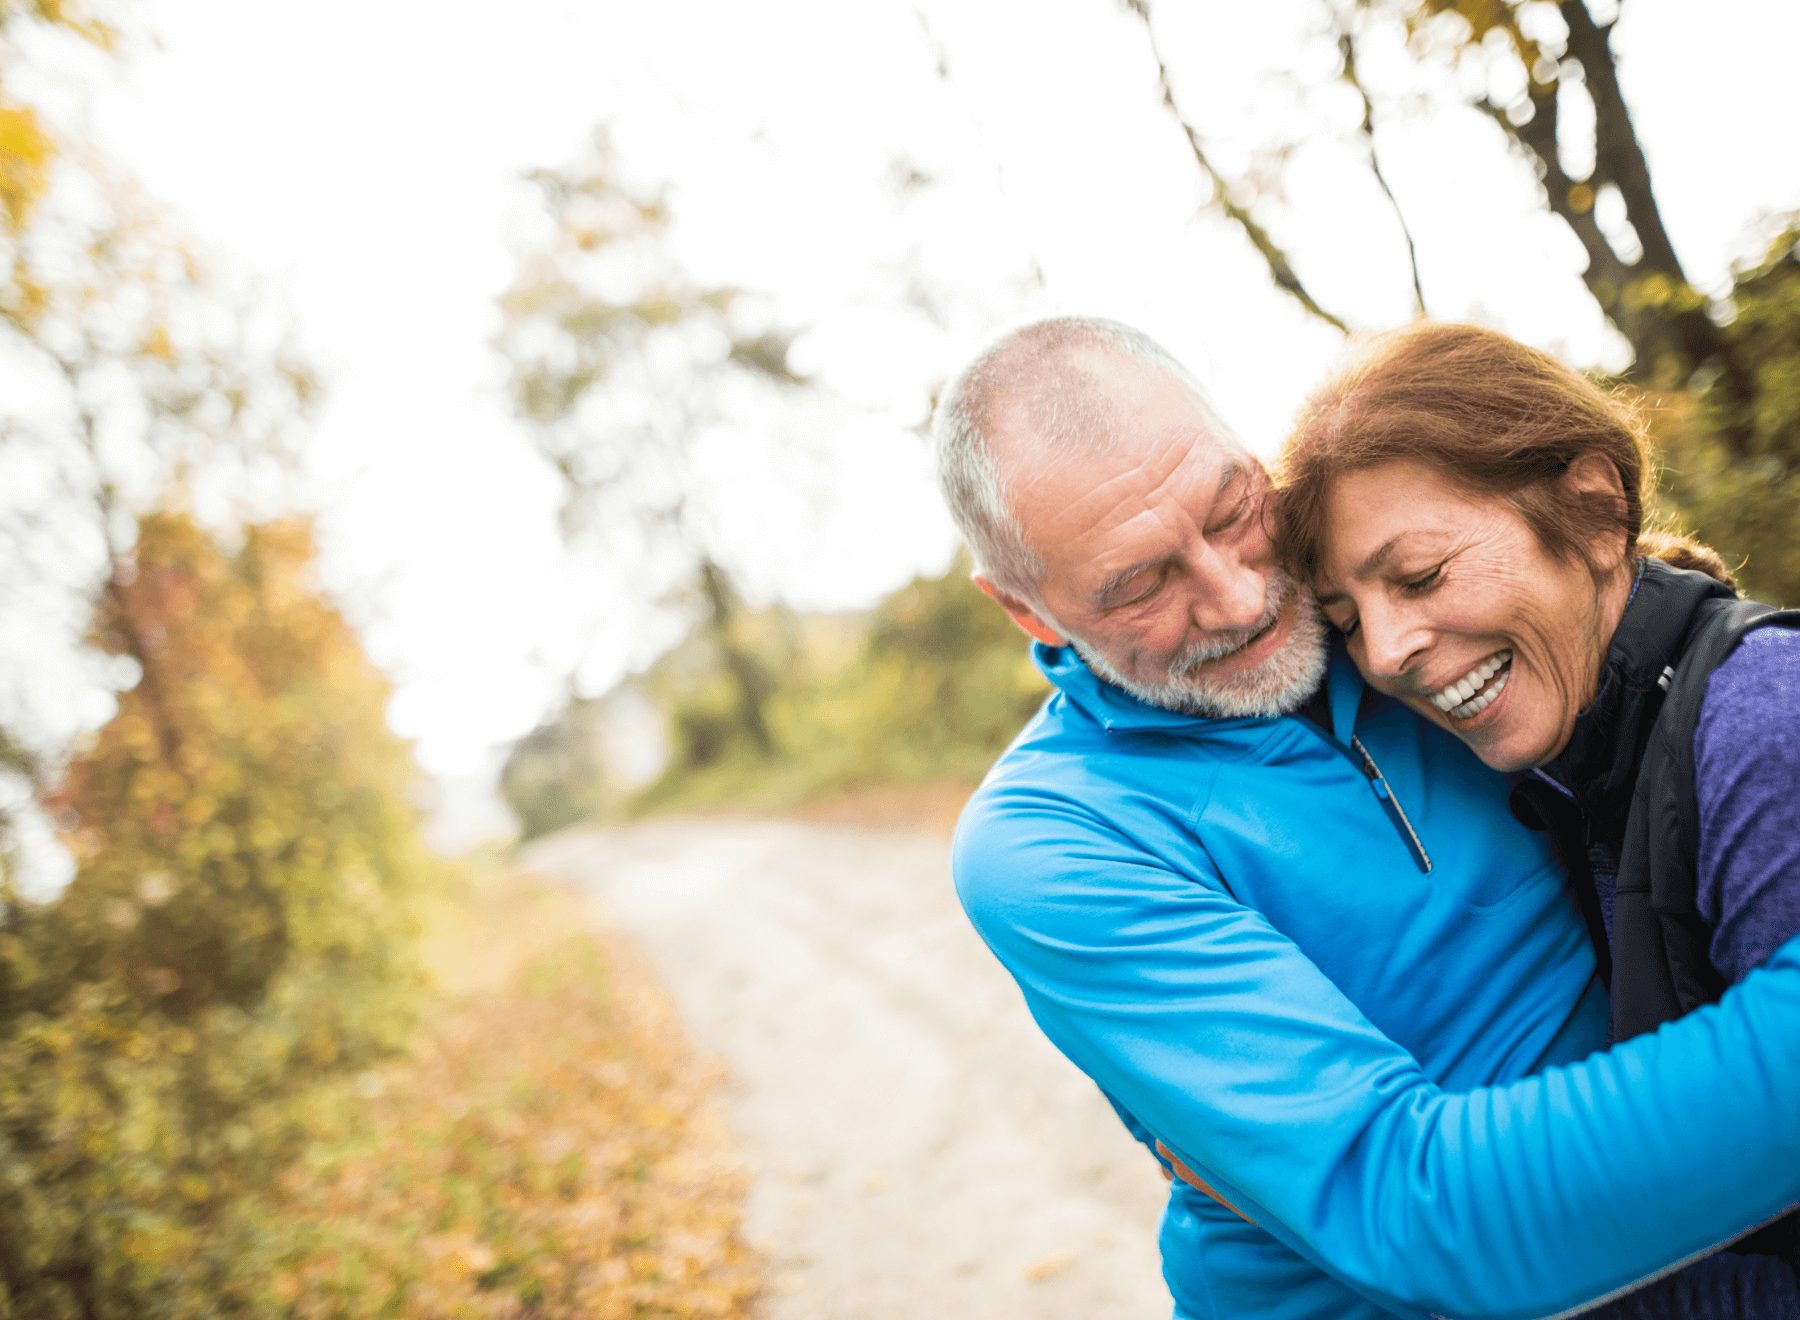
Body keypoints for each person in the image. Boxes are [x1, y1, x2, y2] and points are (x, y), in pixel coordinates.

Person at [935, 314, 1800, 1320]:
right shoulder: (1055, 837)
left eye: (1230, 512)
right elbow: (1409, 1209)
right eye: (1142, 584)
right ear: (1029, 612)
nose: (1240, 598)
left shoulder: (1394, 626)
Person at [1275, 319, 1800, 1263]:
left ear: (1596, 512)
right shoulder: (1572, 766)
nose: (1386, 653)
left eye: (1422, 575)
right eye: (1348, 618)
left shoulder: (1764, 728)